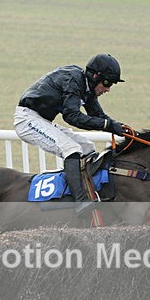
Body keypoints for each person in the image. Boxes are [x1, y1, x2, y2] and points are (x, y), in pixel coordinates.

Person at [14, 53, 127, 215]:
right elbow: (72, 116)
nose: (108, 89)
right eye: (107, 83)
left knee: (87, 147)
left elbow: (98, 116)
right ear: (95, 76)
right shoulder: (73, 79)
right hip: (27, 119)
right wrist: (108, 125)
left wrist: (122, 128)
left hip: (41, 120)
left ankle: (87, 190)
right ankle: (80, 200)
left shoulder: (87, 87)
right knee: (71, 149)